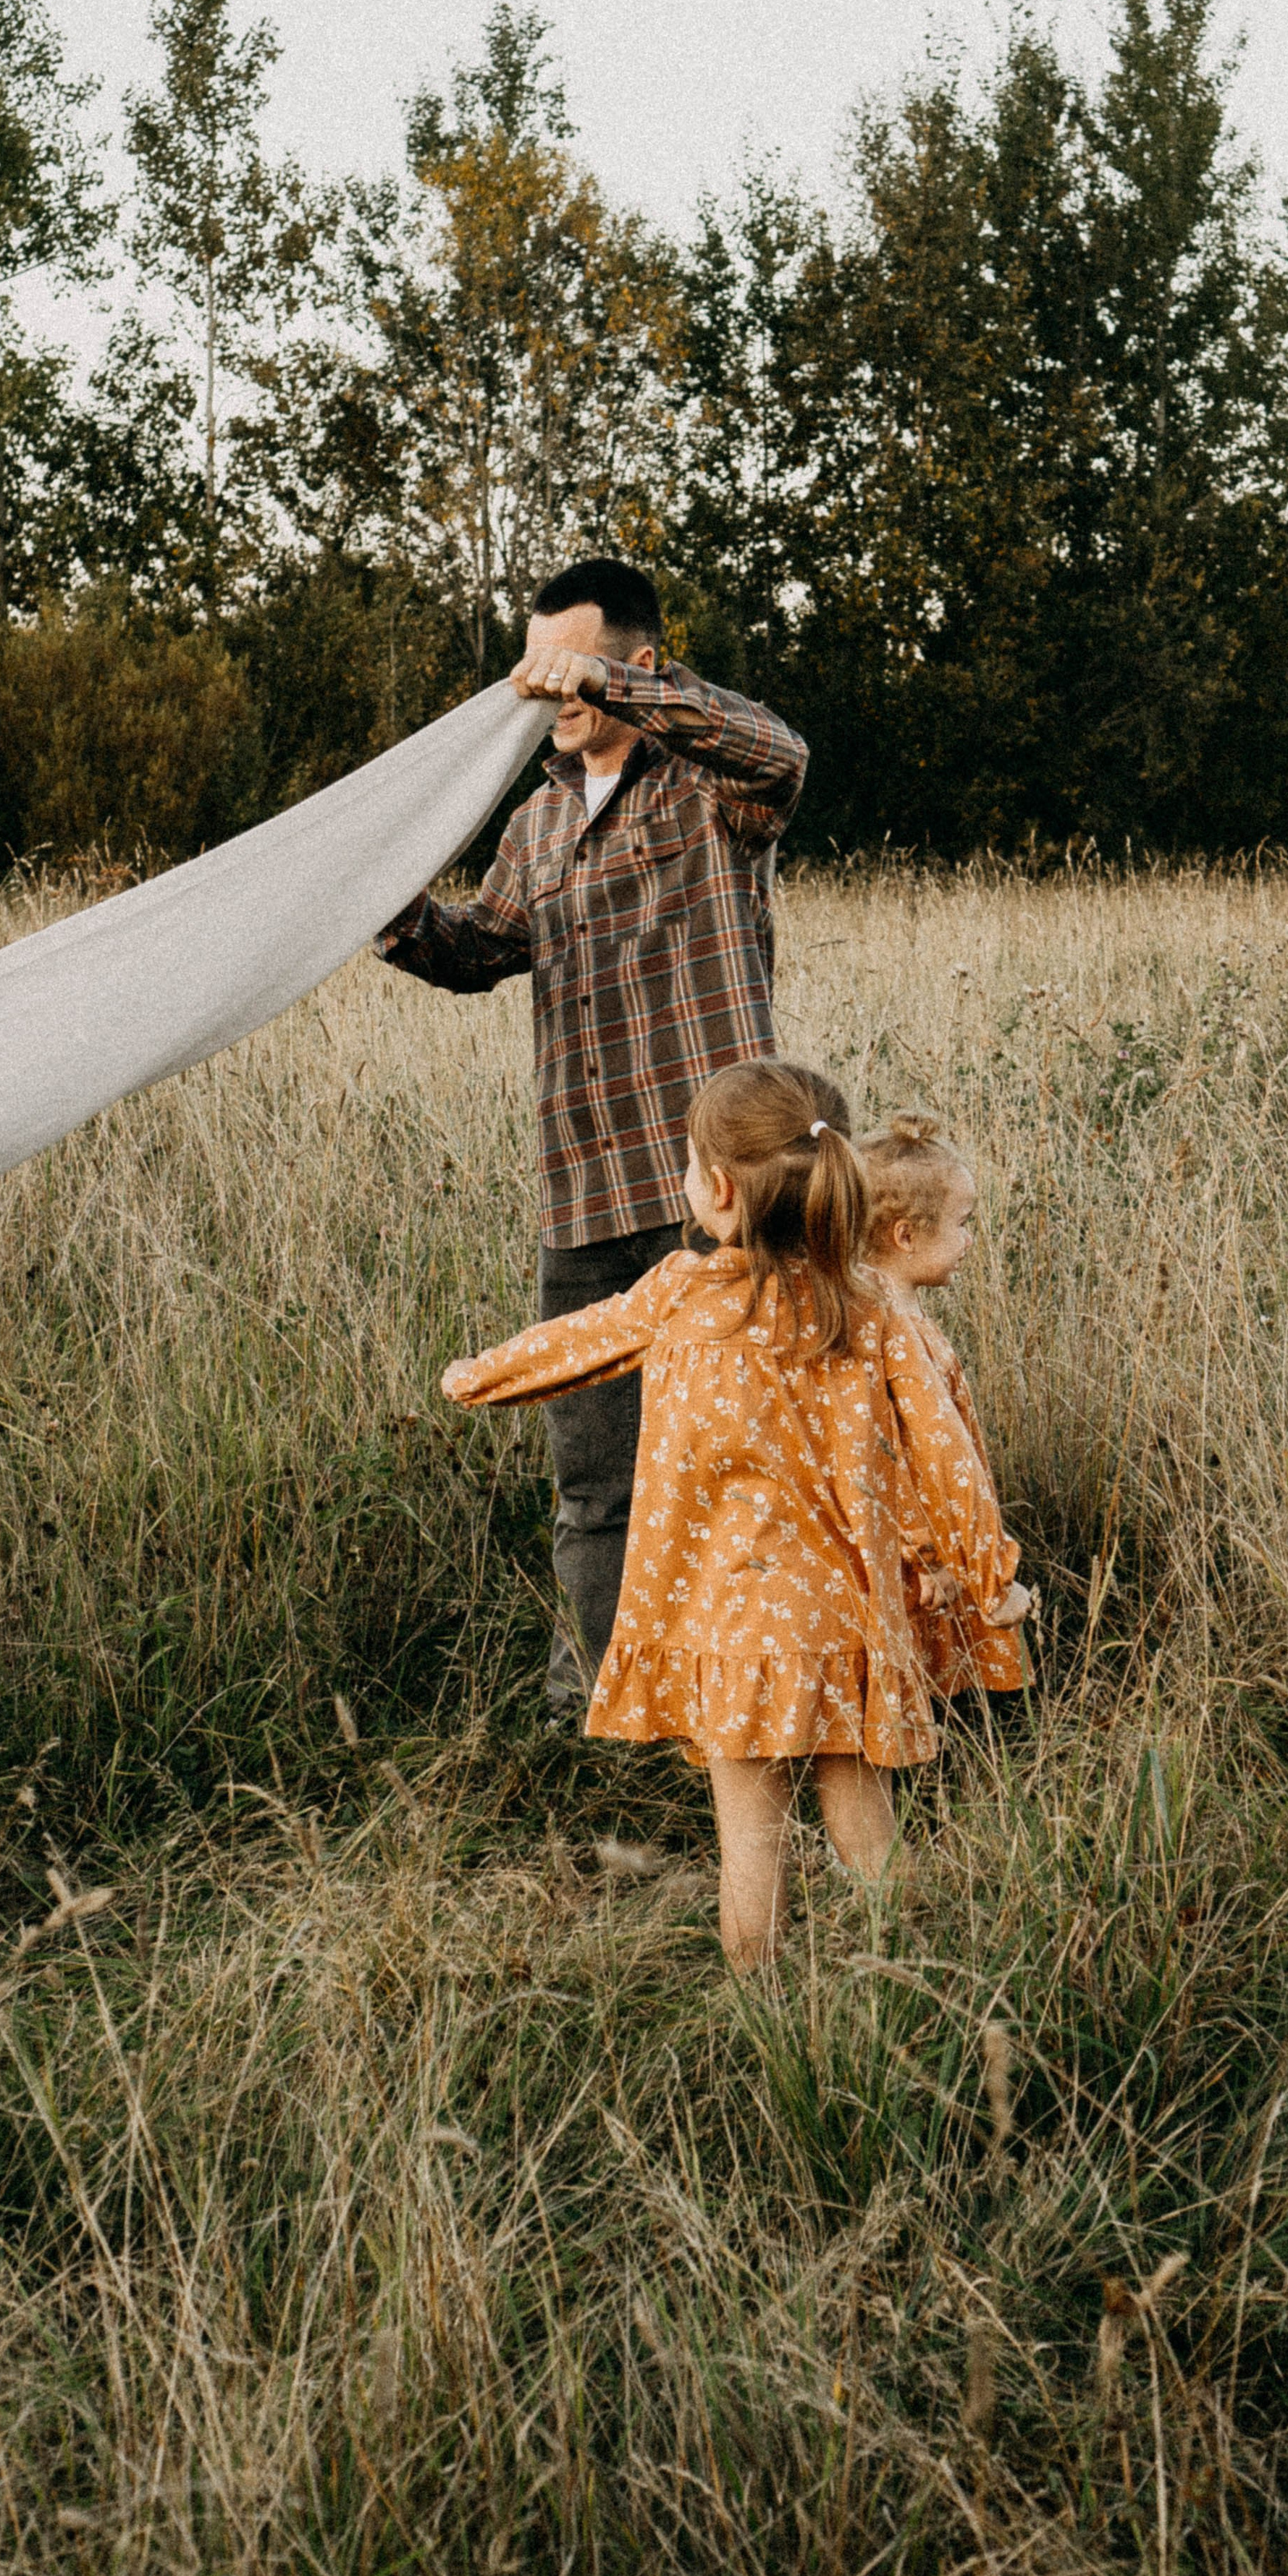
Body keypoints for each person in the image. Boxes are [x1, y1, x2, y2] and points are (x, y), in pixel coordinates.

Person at [439, 1061, 1032, 1968]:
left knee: (749, 1846)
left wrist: (475, 1378)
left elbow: (575, 1347)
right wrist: (990, 1574)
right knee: (866, 1830)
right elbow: (945, 1454)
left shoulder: (683, 1292)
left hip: (727, 1625)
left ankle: (761, 2007)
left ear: (716, 1188)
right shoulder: (871, 1308)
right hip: (842, 1622)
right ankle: (912, 1980)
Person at [378, 560, 807, 1714]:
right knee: (596, 1485)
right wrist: (391, 912)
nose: (554, 694)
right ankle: (613, 1715)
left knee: (748, 1463)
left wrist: (626, 690)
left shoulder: (712, 785)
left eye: (577, 666)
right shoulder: (535, 819)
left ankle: (758, 1701)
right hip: (583, 1195)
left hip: (718, 1195)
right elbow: (480, 952)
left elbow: (781, 752)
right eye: (543, 667)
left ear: (642, 661)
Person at [858, 1114, 1029, 1702]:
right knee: (915, 1668)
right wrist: (932, 1554)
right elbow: (902, 1455)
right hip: (922, 1552)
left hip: (918, 1545)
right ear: (906, 1236)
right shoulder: (893, 1331)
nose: (970, 1241)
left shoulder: (887, 1316)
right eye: (963, 1225)